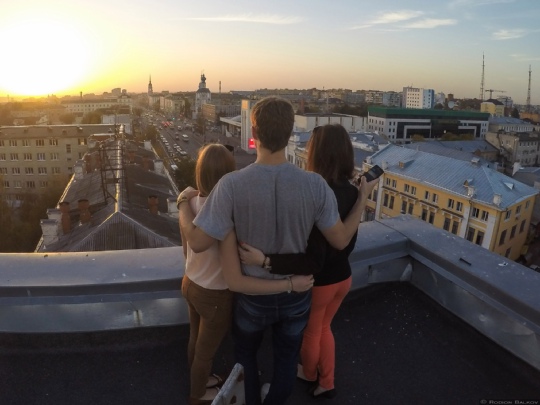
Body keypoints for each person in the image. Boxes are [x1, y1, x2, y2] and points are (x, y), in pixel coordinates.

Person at [178, 97, 377, 405]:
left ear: (254, 132)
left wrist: (182, 203)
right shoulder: (315, 185)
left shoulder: (231, 185)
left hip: (252, 296)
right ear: (290, 133)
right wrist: (362, 199)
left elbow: (198, 242)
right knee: (286, 357)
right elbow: (340, 240)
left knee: (246, 356)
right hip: (297, 294)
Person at [180, 144, 315, 405]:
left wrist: (183, 201)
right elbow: (234, 270)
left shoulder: (190, 204)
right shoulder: (225, 215)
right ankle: (198, 394)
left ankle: (201, 379)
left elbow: (187, 251)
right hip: (214, 293)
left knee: (195, 339)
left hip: (190, 283)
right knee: (206, 351)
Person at [238, 124, 364, 399]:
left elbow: (311, 259)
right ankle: (326, 381)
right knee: (325, 328)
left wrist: (266, 261)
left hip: (320, 281)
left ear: (317, 153)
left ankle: (309, 373)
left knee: (311, 332)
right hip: (344, 276)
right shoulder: (352, 192)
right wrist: (363, 196)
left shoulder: (317, 193)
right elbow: (348, 239)